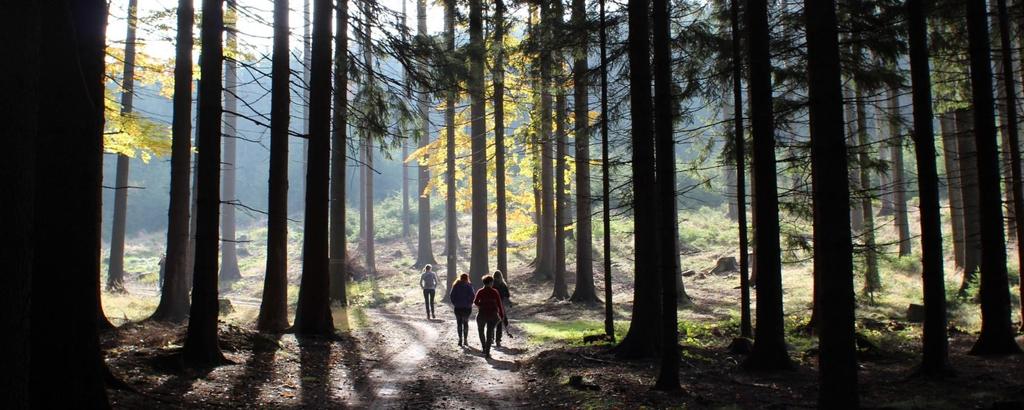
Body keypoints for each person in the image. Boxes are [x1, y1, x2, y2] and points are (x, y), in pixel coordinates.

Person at [473, 275, 507, 358]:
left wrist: (482, 305)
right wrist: (502, 315)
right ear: (490, 282)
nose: (493, 284)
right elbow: (499, 304)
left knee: (481, 331)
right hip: (492, 315)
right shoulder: (495, 291)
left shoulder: (480, 291)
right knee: (489, 333)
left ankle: (484, 347)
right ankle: (487, 352)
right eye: (492, 282)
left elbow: (475, 302)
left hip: (482, 314)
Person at [450, 273, 475, 347]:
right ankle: (465, 340)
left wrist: (454, 303)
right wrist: (470, 303)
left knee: (459, 323)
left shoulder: (456, 285)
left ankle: (460, 339)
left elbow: (451, 295)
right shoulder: (469, 286)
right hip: (467, 308)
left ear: (460, 278)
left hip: (458, 308)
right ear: (467, 278)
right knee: (465, 323)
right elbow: (473, 296)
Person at [493, 270, 511, 347]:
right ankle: (498, 340)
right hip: (500, 305)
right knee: (499, 322)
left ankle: (490, 337)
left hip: (492, 305)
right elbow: (507, 295)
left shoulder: (491, 284)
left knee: (491, 322)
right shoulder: (503, 284)